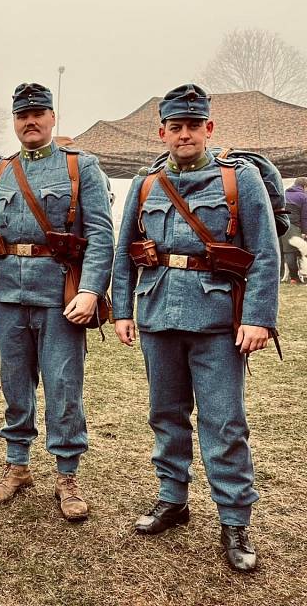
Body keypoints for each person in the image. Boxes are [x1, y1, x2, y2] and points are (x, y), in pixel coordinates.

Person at [111, 84, 280, 572]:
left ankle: (233, 520)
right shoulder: (145, 183)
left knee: (224, 422)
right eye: (175, 127)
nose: (184, 135)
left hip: (216, 322)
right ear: (162, 131)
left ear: (209, 128)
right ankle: (172, 498)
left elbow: (265, 252)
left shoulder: (238, 180)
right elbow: (127, 252)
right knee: (165, 414)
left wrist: (258, 318)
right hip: (158, 314)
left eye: (193, 126)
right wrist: (123, 310)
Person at [0, 83, 114, 521]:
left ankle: (67, 474)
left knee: (64, 387)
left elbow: (102, 234)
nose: (30, 121)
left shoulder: (80, 167)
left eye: (38, 113)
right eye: (22, 115)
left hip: (60, 297)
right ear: (14, 121)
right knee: (14, 384)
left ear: (53, 118)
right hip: (9, 294)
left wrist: (90, 290)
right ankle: (17, 466)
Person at [281, 177, 307, 283]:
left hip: (281, 224)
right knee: (295, 252)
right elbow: (304, 217)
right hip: (293, 226)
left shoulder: (284, 194)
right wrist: (305, 231)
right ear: (304, 186)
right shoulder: (303, 197)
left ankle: (293, 278)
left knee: (287, 252)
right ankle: (297, 277)